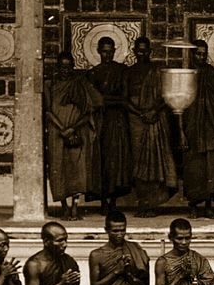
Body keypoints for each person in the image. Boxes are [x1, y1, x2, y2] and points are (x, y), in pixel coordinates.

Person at [44, 50, 100, 221]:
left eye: (68, 67)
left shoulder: (80, 83)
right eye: (62, 67)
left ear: (73, 67)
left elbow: (89, 110)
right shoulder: (50, 85)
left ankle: (75, 207)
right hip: (57, 131)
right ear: (57, 67)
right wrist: (62, 128)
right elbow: (48, 111)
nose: (65, 70)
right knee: (58, 168)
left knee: (77, 169)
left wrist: (72, 128)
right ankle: (64, 207)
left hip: (77, 130)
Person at [126, 36, 176, 217]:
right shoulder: (129, 72)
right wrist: (140, 113)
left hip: (156, 118)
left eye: (145, 50)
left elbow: (167, 96)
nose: (142, 53)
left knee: (156, 161)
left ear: (150, 52)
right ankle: (142, 203)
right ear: (133, 52)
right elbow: (125, 98)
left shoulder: (157, 71)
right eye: (138, 50)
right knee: (139, 162)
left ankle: (154, 204)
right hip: (136, 120)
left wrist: (154, 111)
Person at [183, 39, 214, 219]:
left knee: (212, 168)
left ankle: (209, 205)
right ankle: (193, 205)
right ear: (192, 55)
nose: (201, 57)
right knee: (193, 169)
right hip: (192, 129)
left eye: (204, 54)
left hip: (211, 128)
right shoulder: (186, 75)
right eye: (198, 54)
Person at [87, 36, 132, 211]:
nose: (107, 55)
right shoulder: (93, 73)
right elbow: (93, 100)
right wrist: (111, 101)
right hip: (99, 120)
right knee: (101, 160)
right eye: (104, 51)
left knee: (116, 160)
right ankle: (102, 199)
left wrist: (106, 100)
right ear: (98, 51)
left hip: (117, 121)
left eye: (110, 51)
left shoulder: (122, 71)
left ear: (115, 51)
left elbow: (125, 98)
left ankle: (113, 200)